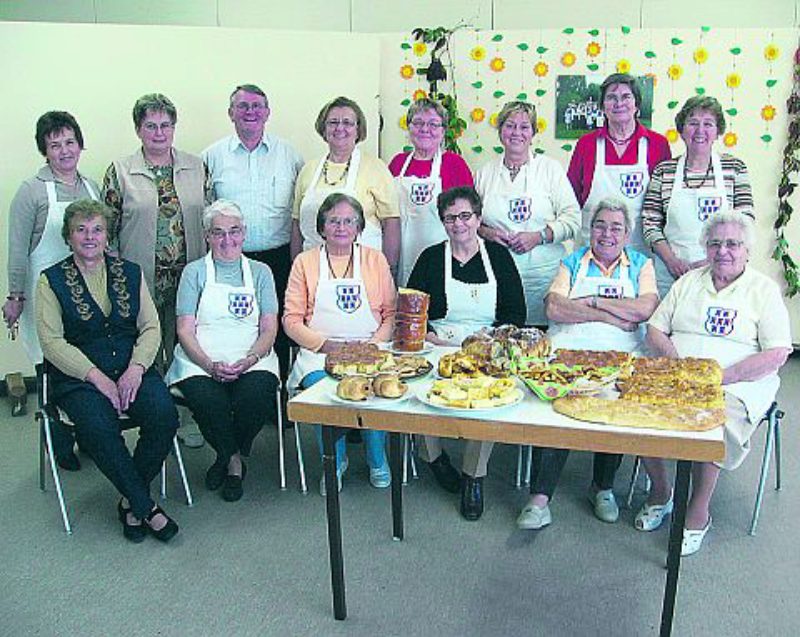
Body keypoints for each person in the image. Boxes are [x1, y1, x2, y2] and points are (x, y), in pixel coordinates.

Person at [635, 212, 791, 556]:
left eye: (733, 244)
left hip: (738, 380)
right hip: (680, 371)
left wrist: (719, 377)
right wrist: (676, 364)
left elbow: (778, 352)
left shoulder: (763, 290)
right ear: (705, 248)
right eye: (715, 244)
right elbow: (655, 328)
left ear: (747, 250)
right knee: (637, 410)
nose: (723, 251)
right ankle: (661, 491)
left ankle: (698, 511)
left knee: (713, 423)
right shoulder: (689, 281)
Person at [36, 199, 180, 543]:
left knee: (165, 415)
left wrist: (136, 368)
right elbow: (51, 342)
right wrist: (97, 378)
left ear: (107, 235)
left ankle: (131, 500)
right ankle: (145, 506)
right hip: (80, 379)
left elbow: (151, 327)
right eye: (81, 230)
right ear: (68, 237)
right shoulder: (50, 281)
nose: (90, 237)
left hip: (132, 368)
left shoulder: (130, 272)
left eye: (97, 229)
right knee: (98, 429)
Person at [516, 198, 659, 530]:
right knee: (553, 408)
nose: (607, 234)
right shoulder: (573, 261)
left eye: (616, 227)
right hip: (567, 353)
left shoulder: (641, 264)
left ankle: (603, 486)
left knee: (614, 406)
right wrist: (605, 310)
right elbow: (554, 309)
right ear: (589, 230)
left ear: (627, 234)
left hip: (620, 356)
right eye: (600, 225)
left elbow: (645, 310)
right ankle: (540, 499)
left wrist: (587, 302)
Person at [407, 186, 526, 520]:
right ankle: (434, 457)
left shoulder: (499, 258)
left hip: (486, 346)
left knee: (486, 402)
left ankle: (474, 476)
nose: (458, 224)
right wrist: (428, 336)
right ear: (443, 222)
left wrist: (490, 342)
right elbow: (414, 311)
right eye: (450, 218)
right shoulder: (431, 258)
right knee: (418, 393)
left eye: (464, 216)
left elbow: (515, 313)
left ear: (477, 218)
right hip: (438, 344)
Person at [102, 93, 206, 447]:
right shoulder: (120, 171)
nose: (159, 133)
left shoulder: (196, 166)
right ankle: (159, 416)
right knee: (148, 344)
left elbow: (209, 219)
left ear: (174, 127)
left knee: (184, 344)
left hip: (188, 275)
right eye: (151, 126)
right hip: (142, 276)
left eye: (165, 125)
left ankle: (188, 415)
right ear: (138, 130)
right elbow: (107, 229)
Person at [3, 111, 100, 470]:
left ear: (80, 144)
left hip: (86, 294)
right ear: (44, 150)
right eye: (54, 144)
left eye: (69, 142)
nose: (64, 150)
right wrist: (15, 296)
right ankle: (59, 441)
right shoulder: (31, 191)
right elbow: (17, 249)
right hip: (44, 296)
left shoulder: (91, 187)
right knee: (51, 368)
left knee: (87, 363)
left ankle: (92, 432)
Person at [165, 200, 280, 502]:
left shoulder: (261, 272)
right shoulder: (194, 273)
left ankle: (225, 457)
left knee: (256, 397)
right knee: (207, 400)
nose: (227, 240)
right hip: (200, 357)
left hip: (251, 355)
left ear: (244, 233)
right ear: (207, 236)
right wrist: (207, 364)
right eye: (218, 233)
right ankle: (233, 461)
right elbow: (184, 330)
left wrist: (251, 359)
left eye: (234, 231)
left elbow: (269, 328)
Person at [284, 193, 396, 495]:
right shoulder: (304, 262)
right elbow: (291, 320)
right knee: (326, 391)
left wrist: (372, 347)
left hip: (371, 349)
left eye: (349, 221)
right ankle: (334, 461)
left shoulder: (375, 259)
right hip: (320, 353)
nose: (341, 227)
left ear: (359, 228)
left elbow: (390, 314)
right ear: (321, 227)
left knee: (377, 389)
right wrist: (326, 346)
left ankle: (377, 459)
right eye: (334, 221)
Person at [203, 84, 303, 385]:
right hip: (229, 257)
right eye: (243, 106)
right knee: (233, 324)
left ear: (268, 112)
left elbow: (299, 208)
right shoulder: (212, 156)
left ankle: (276, 393)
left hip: (278, 256)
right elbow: (205, 210)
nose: (250, 112)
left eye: (257, 106)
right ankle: (231, 387)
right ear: (230, 112)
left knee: (279, 328)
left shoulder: (289, 155)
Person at [475, 100, 580, 327]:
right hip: (498, 274)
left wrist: (538, 236)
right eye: (510, 125)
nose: (516, 133)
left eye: (524, 127)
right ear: (500, 130)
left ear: (533, 133)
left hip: (544, 276)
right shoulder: (485, 173)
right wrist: (489, 233)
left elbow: (573, 219)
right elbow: (472, 222)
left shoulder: (550, 169)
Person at [642, 95, 753, 297]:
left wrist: (710, 262)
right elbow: (650, 223)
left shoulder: (734, 168)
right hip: (671, 274)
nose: (700, 131)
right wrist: (672, 261)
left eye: (708, 124)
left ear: (718, 131)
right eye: (693, 123)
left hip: (721, 271)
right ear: (682, 130)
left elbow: (745, 223)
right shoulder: (664, 171)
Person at [291, 96, 401, 276]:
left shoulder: (376, 168)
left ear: (358, 130)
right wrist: (296, 268)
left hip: (365, 270)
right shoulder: (308, 170)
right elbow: (296, 225)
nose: (339, 128)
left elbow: (391, 223)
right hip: (313, 270)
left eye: (347, 122)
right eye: (333, 122)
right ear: (323, 129)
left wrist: (389, 269)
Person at [568, 73, 671, 254]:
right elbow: (571, 198)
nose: (619, 103)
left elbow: (664, 204)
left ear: (637, 104)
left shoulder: (658, 144)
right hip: (591, 251)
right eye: (611, 98)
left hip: (640, 253)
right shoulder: (586, 144)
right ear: (602, 106)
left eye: (626, 97)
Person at [388, 97, 473, 285]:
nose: (425, 129)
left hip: (445, 254)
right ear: (409, 128)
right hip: (402, 254)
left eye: (433, 124)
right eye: (418, 123)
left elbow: (469, 217)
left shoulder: (455, 164)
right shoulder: (397, 163)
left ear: (443, 131)